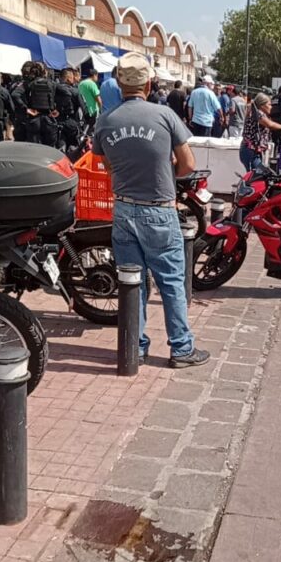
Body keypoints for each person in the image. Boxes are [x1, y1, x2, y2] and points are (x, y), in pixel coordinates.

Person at [92, 52, 210, 368]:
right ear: (148, 82)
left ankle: (137, 347)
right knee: (170, 281)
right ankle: (182, 349)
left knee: (133, 282)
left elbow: (106, 165)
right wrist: (166, 167)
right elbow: (188, 165)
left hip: (123, 210)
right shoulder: (164, 116)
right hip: (158, 209)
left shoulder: (106, 121)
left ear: (119, 82)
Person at [240, 92, 281, 171]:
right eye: (269, 104)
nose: (271, 107)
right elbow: (270, 125)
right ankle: (244, 183)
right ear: (262, 105)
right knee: (256, 175)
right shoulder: (258, 114)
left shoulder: (255, 112)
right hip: (250, 151)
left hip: (251, 151)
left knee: (256, 175)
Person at [25, 61, 58, 146]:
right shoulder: (52, 84)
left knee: (33, 147)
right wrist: (57, 109)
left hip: (34, 118)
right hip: (48, 117)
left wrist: (26, 109)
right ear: (45, 72)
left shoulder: (30, 84)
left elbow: (19, 96)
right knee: (49, 147)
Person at [54, 68, 83, 151]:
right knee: (73, 149)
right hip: (72, 123)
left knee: (60, 150)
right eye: (72, 77)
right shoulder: (75, 92)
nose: (73, 79)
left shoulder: (53, 90)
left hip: (56, 123)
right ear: (68, 78)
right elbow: (85, 110)